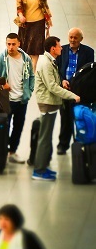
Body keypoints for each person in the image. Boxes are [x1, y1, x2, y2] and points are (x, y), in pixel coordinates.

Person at [32, 36, 80, 181]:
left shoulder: (49, 61)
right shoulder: (46, 63)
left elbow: (53, 81)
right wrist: (72, 96)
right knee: (44, 139)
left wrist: (62, 81)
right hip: (47, 104)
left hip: (50, 103)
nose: (61, 48)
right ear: (53, 48)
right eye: (59, 46)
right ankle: (39, 171)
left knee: (45, 137)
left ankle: (43, 167)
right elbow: (51, 87)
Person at [0, 33, 36, 164]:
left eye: (13, 44)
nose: (10, 47)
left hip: (22, 100)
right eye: (8, 44)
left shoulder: (26, 59)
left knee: (18, 126)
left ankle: (12, 151)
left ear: (19, 44)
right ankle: (3, 150)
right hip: (6, 100)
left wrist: (29, 91)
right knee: (4, 126)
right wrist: (2, 85)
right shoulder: (1, 58)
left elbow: (32, 76)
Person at [55, 28, 94, 155]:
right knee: (65, 119)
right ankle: (63, 145)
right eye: (71, 37)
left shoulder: (88, 52)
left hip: (80, 92)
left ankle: (81, 144)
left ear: (81, 39)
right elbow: (57, 70)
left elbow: (88, 73)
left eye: (75, 37)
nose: (72, 40)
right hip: (65, 91)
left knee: (80, 118)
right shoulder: (62, 50)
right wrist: (62, 81)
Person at [16, 0, 52, 70]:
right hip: (25, 23)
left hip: (38, 22)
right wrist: (20, 15)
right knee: (25, 46)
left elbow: (45, 5)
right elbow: (18, 5)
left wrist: (48, 20)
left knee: (35, 48)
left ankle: (33, 69)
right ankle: (25, 68)